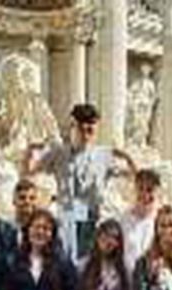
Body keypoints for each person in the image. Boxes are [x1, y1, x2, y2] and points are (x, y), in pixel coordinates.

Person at [22, 103, 137, 259]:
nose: (85, 134)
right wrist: (30, 151)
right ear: (73, 127)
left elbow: (134, 176)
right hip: (65, 218)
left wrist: (127, 157)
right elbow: (28, 174)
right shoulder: (59, 152)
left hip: (91, 219)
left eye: (90, 130)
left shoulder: (104, 156)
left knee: (86, 262)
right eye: (81, 129)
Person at [120, 169, 161, 271]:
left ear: (157, 192)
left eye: (149, 190)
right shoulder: (124, 219)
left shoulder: (162, 219)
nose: (145, 195)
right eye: (140, 188)